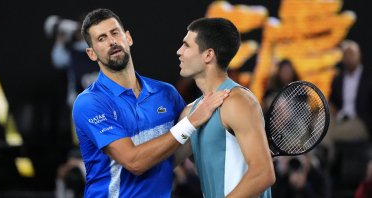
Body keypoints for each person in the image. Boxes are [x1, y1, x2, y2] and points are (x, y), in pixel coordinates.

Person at [72, 8, 230, 197]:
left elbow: (180, 150)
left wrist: (240, 149)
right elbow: (134, 163)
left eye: (115, 33)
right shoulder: (89, 102)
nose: (112, 41)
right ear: (91, 53)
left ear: (128, 38)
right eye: (101, 38)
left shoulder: (166, 93)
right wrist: (192, 120)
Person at [176, 17, 275, 198]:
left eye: (186, 46)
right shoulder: (191, 113)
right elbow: (165, 164)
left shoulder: (239, 102)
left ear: (208, 55)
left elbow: (263, 174)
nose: (179, 52)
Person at [321, 40, 372, 165]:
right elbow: (333, 101)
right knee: (322, 124)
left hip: (361, 121)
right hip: (340, 118)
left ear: (359, 55)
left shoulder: (369, 78)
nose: (349, 57)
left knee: (327, 135)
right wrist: (330, 110)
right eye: (346, 54)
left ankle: (325, 162)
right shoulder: (338, 79)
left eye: (352, 53)